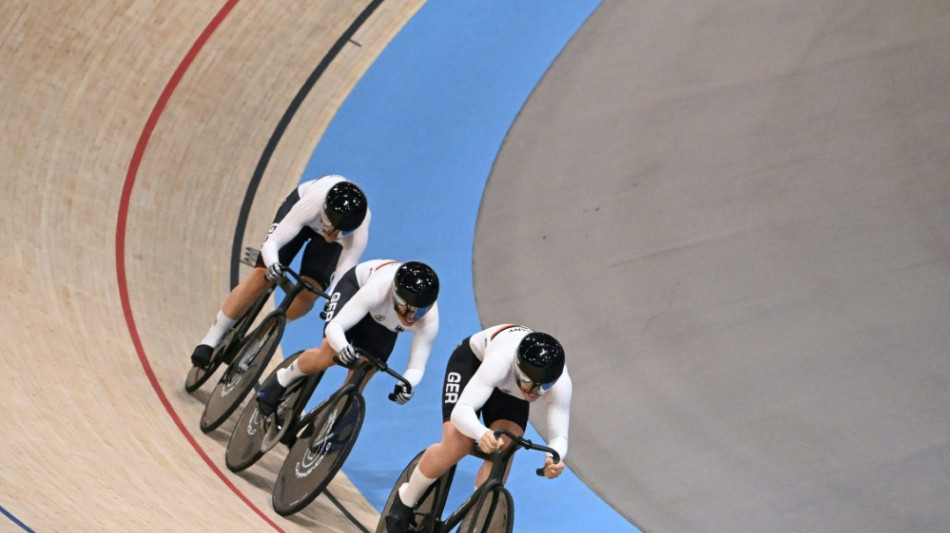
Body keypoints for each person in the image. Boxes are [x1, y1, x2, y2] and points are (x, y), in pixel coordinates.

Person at [384, 324, 573, 532]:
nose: (534, 394)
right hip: (472, 363)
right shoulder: (500, 360)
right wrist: (481, 433)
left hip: (508, 389)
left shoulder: (560, 383)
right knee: (457, 445)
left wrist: (553, 458)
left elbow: (559, 437)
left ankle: (475, 520)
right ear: (519, 368)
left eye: (542, 387)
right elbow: (461, 411)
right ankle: (405, 500)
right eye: (530, 385)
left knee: (505, 449)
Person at [190, 174, 369, 368]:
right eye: (329, 228)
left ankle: (259, 338)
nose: (331, 235)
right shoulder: (312, 202)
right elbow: (273, 242)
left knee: (308, 296)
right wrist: (273, 263)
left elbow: (342, 279)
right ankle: (211, 338)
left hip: (328, 237)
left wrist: (333, 302)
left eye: (337, 233)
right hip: (303, 217)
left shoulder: (357, 233)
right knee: (262, 276)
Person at [256, 259, 440, 415]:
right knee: (328, 355)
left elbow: (416, 367)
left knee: (363, 374)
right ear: (395, 296)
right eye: (406, 309)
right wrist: (342, 346)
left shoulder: (429, 320)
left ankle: (328, 421)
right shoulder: (376, 290)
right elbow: (336, 327)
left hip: (383, 322)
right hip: (355, 288)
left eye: (420, 311)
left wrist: (406, 384)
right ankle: (282, 379)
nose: (411, 318)